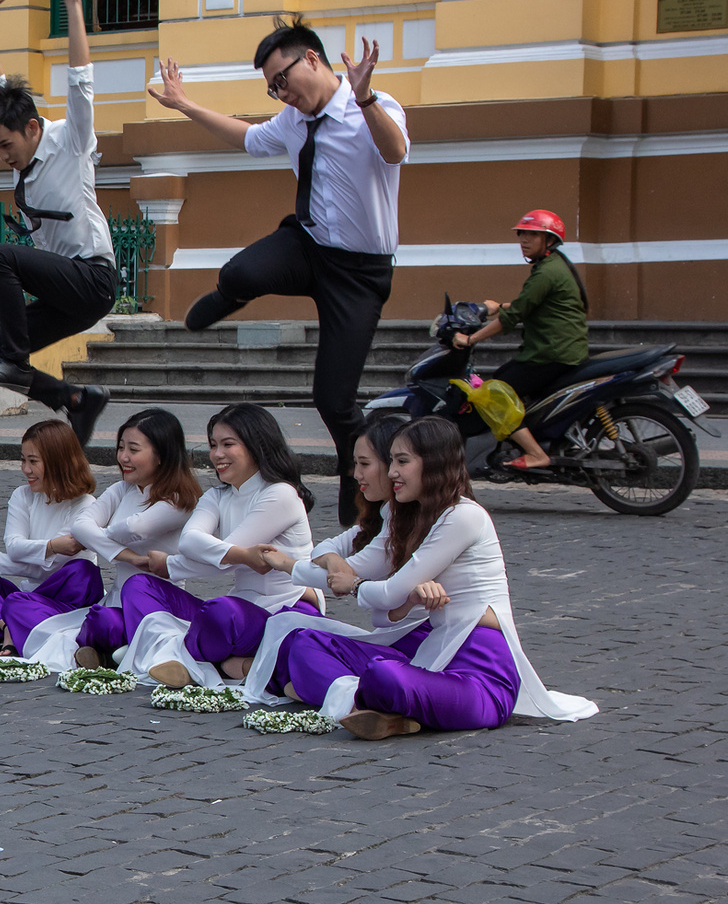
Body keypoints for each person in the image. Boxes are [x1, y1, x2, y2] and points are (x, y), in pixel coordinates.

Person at [147, 18, 409, 524]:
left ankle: (366, 494)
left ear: (311, 58)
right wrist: (185, 105)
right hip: (308, 244)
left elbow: (395, 151)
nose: (280, 94)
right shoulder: (293, 121)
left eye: (282, 81)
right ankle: (230, 292)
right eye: (271, 88)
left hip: (359, 274)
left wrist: (367, 98)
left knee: (333, 399)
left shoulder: (371, 106)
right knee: (241, 272)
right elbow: (247, 137)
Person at [292, 417, 598, 738]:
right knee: (308, 644)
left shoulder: (464, 516)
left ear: (435, 463)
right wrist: (408, 599)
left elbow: (391, 591)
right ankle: (384, 711)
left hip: (483, 677)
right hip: (436, 656)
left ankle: (371, 703)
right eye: (392, 460)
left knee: (382, 675)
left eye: (402, 461)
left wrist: (354, 585)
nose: (392, 471)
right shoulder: (422, 518)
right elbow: (387, 613)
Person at [0, 0, 116, 446]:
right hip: (62, 294)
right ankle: (74, 399)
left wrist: (71, 4)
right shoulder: (16, 139)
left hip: (91, 279)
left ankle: (18, 355)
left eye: (5, 145)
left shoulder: (71, 140)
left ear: (31, 128)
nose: (2, 155)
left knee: (2, 255)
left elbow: (80, 80)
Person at [78, 403, 316, 686]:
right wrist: (239, 555)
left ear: (257, 445)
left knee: (219, 613)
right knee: (139, 585)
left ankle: (178, 657)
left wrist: (172, 564)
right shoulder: (218, 496)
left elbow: (222, 561)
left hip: (282, 608)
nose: (217, 454)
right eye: (213, 444)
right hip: (240, 607)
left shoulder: (280, 495)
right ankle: (224, 663)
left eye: (228, 444)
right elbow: (192, 542)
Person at [240, 417, 432, 713]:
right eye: (355, 464)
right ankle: (311, 686)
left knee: (301, 643)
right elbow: (327, 548)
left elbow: (348, 574)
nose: (357, 474)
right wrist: (331, 559)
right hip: (392, 636)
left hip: (415, 643)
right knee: (291, 639)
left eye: (365, 464)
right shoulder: (386, 514)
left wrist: (287, 565)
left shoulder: (407, 520)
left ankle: (352, 700)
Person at [32, 408, 199, 670]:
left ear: (161, 455)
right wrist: (129, 556)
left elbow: (135, 528)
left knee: (135, 588)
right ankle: (119, 651)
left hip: (159, 602)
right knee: (100, 619)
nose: (123, 457)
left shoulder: (178, 501)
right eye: (121, 447)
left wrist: (98, 536)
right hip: (118, 602)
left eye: (134, 450)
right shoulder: (122, 488)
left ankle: (119, 652)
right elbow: (80, 524)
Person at [0, 419, 103, 655]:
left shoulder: (86, 505)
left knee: (82, 571)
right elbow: (15, 548)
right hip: (26, 598)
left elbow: (43, 569)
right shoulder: (22, 496)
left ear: (58, 462)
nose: (26, 469)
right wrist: (52, 546)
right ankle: (9, 626)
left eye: (33, 461)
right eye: (23, 460)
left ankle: (12, 625)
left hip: (62, 597)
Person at [452, 209, 589, 470]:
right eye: (522, 234)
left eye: (533, 234)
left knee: (493, 393)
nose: (524, 240)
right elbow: (531, 304)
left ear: (549, 240)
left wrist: (470, 340)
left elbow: (511, 318)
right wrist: (499, 305)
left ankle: (536, 453)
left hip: (550, 354)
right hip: (562, 351)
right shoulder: (554, 265)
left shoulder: (546, 273)